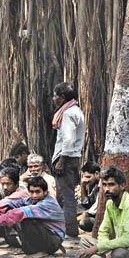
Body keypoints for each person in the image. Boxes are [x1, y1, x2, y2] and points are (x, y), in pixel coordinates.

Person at [0, 176, 66, 255]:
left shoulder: (48, 203)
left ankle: (41, 251)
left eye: (37, 192)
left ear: (45, 192)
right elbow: (9, 204)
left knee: (24, 218)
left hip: (54, 240)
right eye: (31, 192)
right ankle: (30, 249)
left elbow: (20, 213)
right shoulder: (30, 200)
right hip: (46, 235)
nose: (34, 195)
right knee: (10, 211)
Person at [51, 82, 85, 238]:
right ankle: (65, 229)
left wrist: (61, 161)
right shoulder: (75, 110)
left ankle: (70, 232)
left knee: (66, 197)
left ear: (62, 97)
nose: (54, 99)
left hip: (67, 158)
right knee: (64, 195)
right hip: (72, 157)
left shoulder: (68, 113)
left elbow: (69, 140)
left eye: (56, 95)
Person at [77, 161, 100, 232]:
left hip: (99, 216)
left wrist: (75, 219)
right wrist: (83, 186)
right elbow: (85, 202)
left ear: (96, 174)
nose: (86, 179)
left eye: (88, 177)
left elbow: (92, 210)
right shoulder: (95, 187)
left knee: (83, 222)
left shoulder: (102, 186)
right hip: (91, 212)